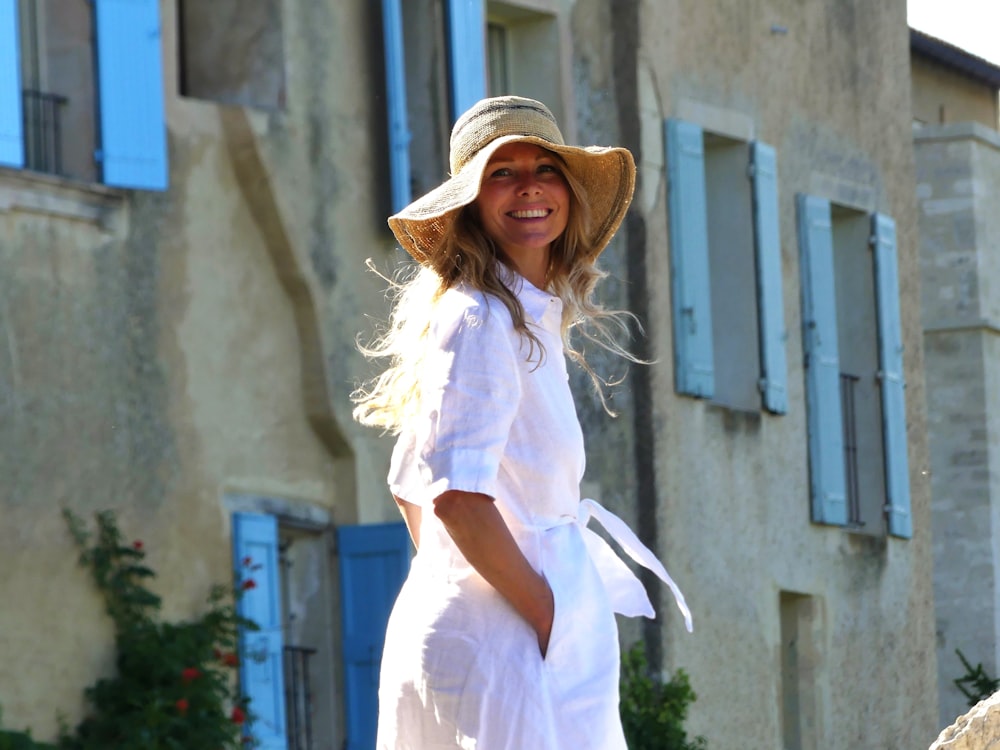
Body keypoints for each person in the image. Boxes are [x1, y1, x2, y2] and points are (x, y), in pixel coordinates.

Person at [353, 95, 692, 750]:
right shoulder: (480, 316)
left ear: (569, 191)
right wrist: (541, 613)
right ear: (472, 201)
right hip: (510, 634)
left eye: (546, 167)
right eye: (501, 172)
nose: (529, 186)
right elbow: (453, 494)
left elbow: (410, 484)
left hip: (499, 627)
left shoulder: (511, 313)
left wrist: (473, 587)